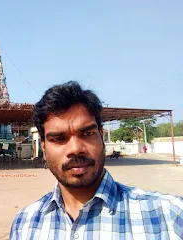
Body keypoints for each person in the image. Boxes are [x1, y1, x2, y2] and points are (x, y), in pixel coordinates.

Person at [9, 81, 183, 239]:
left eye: (87, 134)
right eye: (58, 138)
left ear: (101, 135)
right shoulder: (25, 225)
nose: (75, 149)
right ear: (44, 147)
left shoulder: (169, 217)